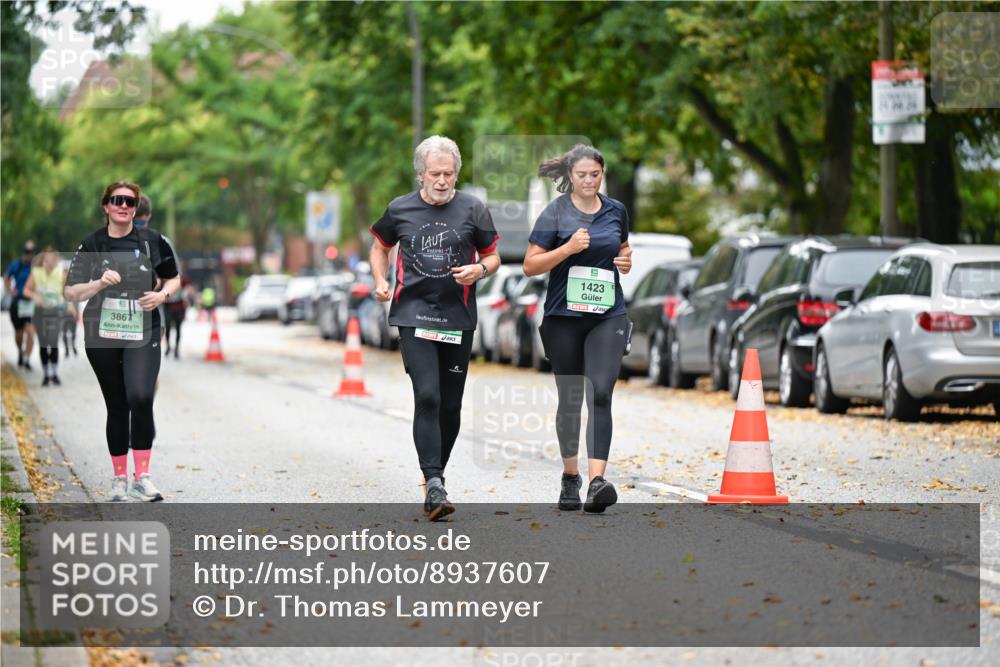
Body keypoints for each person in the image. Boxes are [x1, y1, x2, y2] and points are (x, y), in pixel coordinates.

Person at [370, 135, 500, 521]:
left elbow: (493, 257)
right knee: (427, 395)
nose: (442, 180)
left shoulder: (473, 209)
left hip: (457, 318)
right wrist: (381, 280)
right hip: (413, 315)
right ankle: (435, 480)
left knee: (451, 405)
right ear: (421, 175)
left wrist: (479, 270)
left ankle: (435, 477)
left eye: (449, 174)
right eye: (435, 174)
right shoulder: (400, 209)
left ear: (457, 174)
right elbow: (379, 245)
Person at [523, 144, 633, 514]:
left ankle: (597, 481)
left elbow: (622, 246)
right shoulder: (554, 213)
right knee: (571, 399)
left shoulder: (616, 210)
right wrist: (567, 249)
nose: (589, 180)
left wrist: (626, 259)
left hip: (607, 315)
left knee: (600, 392)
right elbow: (530, 265)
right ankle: (571, 477)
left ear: (603, 174)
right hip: (564, 317)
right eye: (582, 174)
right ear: (570, 175)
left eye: (595, 174)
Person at [64, 181, 180, 502]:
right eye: (117, 200)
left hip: (143, 328)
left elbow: (173, 276)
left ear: (136, 207)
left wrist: (162, 294)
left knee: (140, 396)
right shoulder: (92, 244)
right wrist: (98, 283)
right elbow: (71, 292)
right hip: (101, 332)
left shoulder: (152, 240)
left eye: (130, 201)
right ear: (106, 205)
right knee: (117, 405)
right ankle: (118, 479)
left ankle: (142, 477)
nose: (124, 206)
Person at [24, 247, 67, 385]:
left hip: (55, 311)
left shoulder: (61, 273)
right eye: (46, 259)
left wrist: (71, 306)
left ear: (56, 260)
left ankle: (54, 373)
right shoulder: (36, 272)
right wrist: (34, 295)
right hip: (40, 311)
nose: (49, 262)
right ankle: (46, 373)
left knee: (53, 342)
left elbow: (68, 291)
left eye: (52, 259)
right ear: (43, 260)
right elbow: (26, 290)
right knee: (43, 343)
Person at [4, 241, 37, 370]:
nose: (29, 255)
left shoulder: (35, 266)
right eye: (27, 252)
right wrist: (10, 290)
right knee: (19, 334)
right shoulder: (16, 264)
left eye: (32, 252)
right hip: (17, 303)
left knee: (30, 332)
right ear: (24, 252)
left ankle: (27, 359)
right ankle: (20, 352)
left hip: (30, 303)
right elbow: (7, 278)